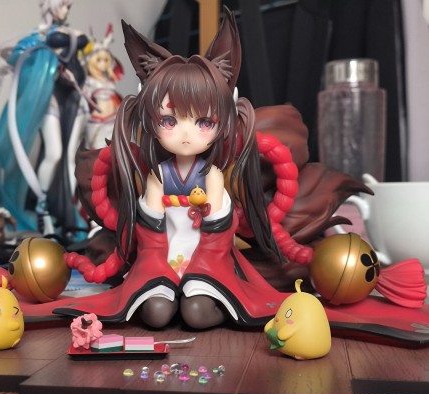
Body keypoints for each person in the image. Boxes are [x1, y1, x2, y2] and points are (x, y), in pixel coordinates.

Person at [59, 9, 314, 329]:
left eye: (203, 122)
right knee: (156, 314)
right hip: (161, 261)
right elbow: (151, 241)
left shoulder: (213, 176)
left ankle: (210, 301)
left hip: (207, 261)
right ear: (150, 118)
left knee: (196, 313)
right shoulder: (158, 176)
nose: (185, 134)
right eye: (169, 121)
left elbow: (217, 241)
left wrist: (196, 272)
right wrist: (162, 271)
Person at [0, 0, 89, 242]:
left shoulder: (71, 33)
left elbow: (80, 54)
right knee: (54, 153)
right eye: (63, 5)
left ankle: (67, 213)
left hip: (73, 99)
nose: (66, 10)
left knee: (70, 159)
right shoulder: (39, 36)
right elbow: (21, 57)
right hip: (50, 98)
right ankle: (42, 209)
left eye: (68, 6)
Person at [82, 24, 123, 150]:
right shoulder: (89, 81)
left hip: (112, 119)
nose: (103, 64)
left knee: (110, 151)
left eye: (106, 60)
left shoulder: (109, 81)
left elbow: (115, 98)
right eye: (99, 60)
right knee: (95, 151)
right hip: (96, 120)